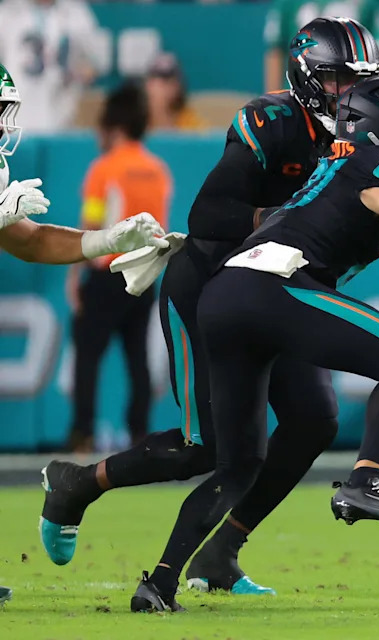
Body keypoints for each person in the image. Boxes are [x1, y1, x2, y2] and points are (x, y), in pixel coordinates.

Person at [39, 19, 379, 600]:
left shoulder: (360, 147)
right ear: (309, 77)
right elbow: (213, 217)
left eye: (359, 80)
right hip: (216, 280)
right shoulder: (277, 125)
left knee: (311, 419)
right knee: (209, 447)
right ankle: (79, 483)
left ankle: (210, 557)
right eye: (339, 77)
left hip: (270, 284)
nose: (348, 89)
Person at [0, 64, 167, 607]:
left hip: (109, 281)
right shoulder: (150, 167)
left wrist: (105, 239)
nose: (4, 127)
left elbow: (27, 240)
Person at [64, 82, 172, 453]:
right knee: (138, 359)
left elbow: (90, 228)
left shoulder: (104, 169)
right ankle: (139, 435)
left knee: (87, 357)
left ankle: (83, 434)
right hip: (144, 276)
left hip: (107, 273)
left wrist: (74, 274)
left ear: (113, 124)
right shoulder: (158, 171)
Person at [0, 0, 103, 131]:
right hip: (17, 113)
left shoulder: (77, 14)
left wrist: (82, 71)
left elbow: (94, 63)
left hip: (62, 113)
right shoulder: (7, 13)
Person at [264, 0, 379, 92]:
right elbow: (275, 53)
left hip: (349, 90)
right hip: (299, 90)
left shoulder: (366, 4)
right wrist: (274, 98)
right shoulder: (288, 4)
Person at [144, 53, 208, 132]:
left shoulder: (189, 121)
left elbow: (202, 138)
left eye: (167, 83)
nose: (158, 89)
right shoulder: (137, 120)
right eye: (154, 81)